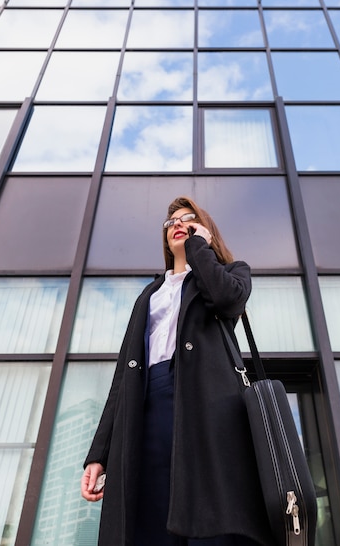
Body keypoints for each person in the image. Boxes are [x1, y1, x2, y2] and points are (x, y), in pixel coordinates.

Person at [81, 196, 271, 546]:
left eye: (189, 219)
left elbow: (227, 299)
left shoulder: (231, 273)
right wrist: (100, 454)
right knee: (149, 516)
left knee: (211, 518)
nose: (177, 225)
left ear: (206, 230)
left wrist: (200, 247)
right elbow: (123, 378)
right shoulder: (149, 295)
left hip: (206, 407)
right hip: (147, 408)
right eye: (171, 222)